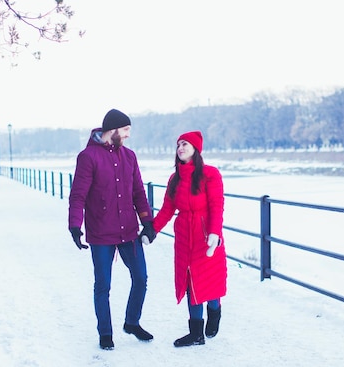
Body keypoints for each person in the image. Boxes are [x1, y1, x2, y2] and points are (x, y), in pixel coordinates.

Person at [68, 109, 157, 350]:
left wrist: (148, 222)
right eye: (126, 130)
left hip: (129, 231)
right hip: (101, 234)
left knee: (141, 278)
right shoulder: (88, 157)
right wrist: (75, 226)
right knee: (103, 285)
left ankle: (132, 322)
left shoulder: (129, 157)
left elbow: (138, 191)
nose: (128, 135)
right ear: (113, 130)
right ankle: (105, 333)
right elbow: (78, 196)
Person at [150, 131, 227, 347]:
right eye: (178, 145)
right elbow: (167, 209)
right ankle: (196, 334)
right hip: (184, 236)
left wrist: (214, 233)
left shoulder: (210, 174)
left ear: (196, 148)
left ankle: (214, 314)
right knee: (189, 282)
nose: (180, 148)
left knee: (209, 281)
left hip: (206, 236)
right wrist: (152, 230)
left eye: (185, 144)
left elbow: (216, 205)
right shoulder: (175, 179)